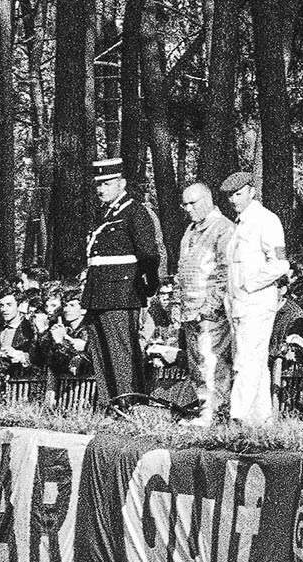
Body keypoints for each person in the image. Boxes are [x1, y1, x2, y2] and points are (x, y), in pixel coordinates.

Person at [79, 156, 163, 408]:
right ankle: (111, 404)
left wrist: (149, 284)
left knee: (121, 352)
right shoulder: (104, 215)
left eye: (106, 184)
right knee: (101, 351)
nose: (100, 189)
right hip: (98, 293)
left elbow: (148, 254)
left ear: (122, 183)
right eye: (98, 184)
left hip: (121, 292)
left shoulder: (135, 212)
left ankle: (130, 403)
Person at [222, 170, 290, 423]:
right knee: (255, 360)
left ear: (252, 191)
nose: (234, 200)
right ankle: (262, 418)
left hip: (258, 300)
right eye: (230, 196)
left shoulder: (266, 220)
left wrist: (249, 285)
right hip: (238, 304)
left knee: (246, 360)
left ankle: (236, 416)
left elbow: (280, 264)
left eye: (238, 194)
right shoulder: (239, 224)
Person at [171, 179, 233, 424]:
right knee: (197, 363)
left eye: (193, 203)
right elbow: (181, 269)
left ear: (208, 200)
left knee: (212, 361)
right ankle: (203, 409)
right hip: (189, 310)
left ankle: (215, 412)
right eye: (184, 204)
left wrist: (210, 306)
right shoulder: (190, 230)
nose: (188, 208)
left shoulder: (223, 228)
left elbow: (225, 272)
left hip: (210, 312)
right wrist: (177, 304)